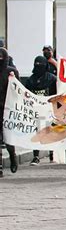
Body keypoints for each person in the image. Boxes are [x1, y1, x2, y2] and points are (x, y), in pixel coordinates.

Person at [24, 56, 57, 165]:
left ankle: (52, 154)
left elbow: (56, 93)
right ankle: (36, 155)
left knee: (50, 131)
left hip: (49, 110)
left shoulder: (52, 79)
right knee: (37, 132)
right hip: (36, 111)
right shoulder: (30, 80)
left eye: (41, 65)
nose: (39, 68)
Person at [0, 47, 19, 176]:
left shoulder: (11, 72)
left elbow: (18, 92)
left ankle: (13, 155)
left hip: (7, 109)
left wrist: (14, 80)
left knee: (8, 138)